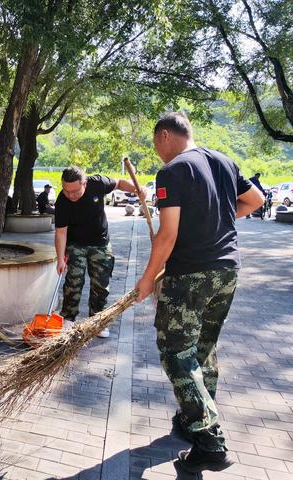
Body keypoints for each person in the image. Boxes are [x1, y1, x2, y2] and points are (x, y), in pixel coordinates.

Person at [134, 113, 264, 473]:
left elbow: (167, 235)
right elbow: (256, 200)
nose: (158, 152)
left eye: (155, 143)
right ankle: (192, 419)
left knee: (176, 353)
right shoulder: (223, 160)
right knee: (203, 350)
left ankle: (210, 441)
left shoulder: (173, 171)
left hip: (190, 274)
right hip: (227, 271)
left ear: (164, 136)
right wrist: (218, 223)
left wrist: (147, 280)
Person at [55, 166, 145, 339]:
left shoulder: (97, 183)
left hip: (100, 243)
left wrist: (137, 189)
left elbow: (118, 183)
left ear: (85, 183)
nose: (71, 195)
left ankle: (97, 321)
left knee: (101, 284)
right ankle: (68, 318)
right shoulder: (62, 201)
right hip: (76, 244)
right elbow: (61, 233)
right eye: (66, 191)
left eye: (75, 191)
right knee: (74, 280)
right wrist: (60, 259)